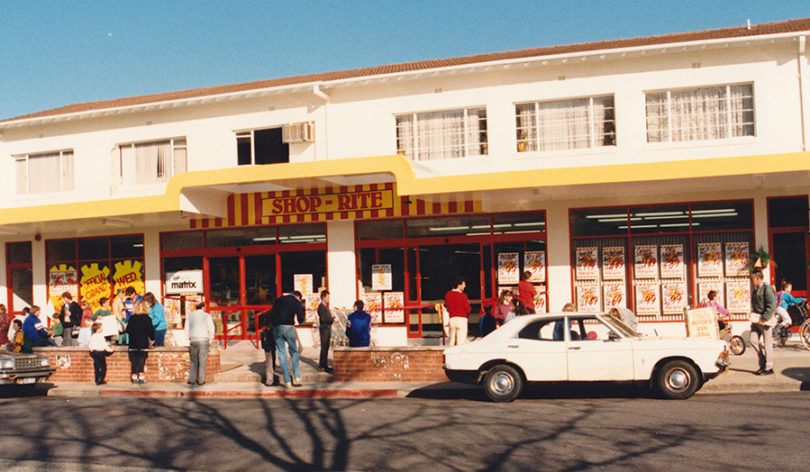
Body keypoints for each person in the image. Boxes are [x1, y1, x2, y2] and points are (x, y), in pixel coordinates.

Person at [270, 291, 305, 388]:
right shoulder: (296, 301)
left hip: (277, 328)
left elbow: (271, 314)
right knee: (294, 352)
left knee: (281, 354)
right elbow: (300, 318)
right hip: (289, 327)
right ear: (298, 296)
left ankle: (287, 381)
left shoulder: (278, 300)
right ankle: (297, 377)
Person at [750, 270, 776, 376]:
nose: (752, 281)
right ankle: (763, 363)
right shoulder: (755, 289)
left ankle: (768, 367)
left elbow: (771, 306)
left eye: (753, 279)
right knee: (753, 340)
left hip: (765, 321)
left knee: (767, 343)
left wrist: (764, 319)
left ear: (758, 278)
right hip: (756, 320)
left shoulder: (767, 289)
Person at [185, 302, 215, 386]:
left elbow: (186, 328)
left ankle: (192, 380)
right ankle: (201, 380)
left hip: (193, 339)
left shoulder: (190, 316)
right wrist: (210, 340)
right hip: (203, 339)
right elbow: (211, 328)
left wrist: (188, 339)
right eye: (205, 307)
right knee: (202, 361)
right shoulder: (206, 316)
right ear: (202, 307)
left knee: (193, 360)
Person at [125, 301, 155, 384]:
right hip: (143, 342)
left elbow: (127, 330)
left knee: (134, 361)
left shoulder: (132, 318)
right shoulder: (147, 318)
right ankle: (141, 377)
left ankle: (134, 377)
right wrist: (152, 340)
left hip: (133, 342)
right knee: (142, 360)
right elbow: (151, 331)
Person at [444, 276, 471, 346]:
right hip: (462, 320)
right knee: (461, 342)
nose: (465, 286)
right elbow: (468, 309)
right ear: (459, 285)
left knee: (451, 341)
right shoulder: (463, 296)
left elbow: (447, 307)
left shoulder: (447, 295)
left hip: (452, 319)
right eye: (463, 284)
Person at [258, 303, 277, 386]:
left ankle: (270, 379)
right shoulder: (277, 315)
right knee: (271, 358)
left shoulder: (266, 315)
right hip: (272, 340)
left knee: (269, 358)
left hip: (268, 341)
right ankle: (270, 378)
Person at [317, 290, 334, 372]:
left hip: (326, 328)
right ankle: (322, 365)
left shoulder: (324, 306)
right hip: (324, 329)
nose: (328, 299)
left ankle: (324, 365)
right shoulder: (322, 307)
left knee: (326, 347)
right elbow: (324, 319)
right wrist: (332, 319)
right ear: (323, 297)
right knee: (324, 347)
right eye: (327, 297)